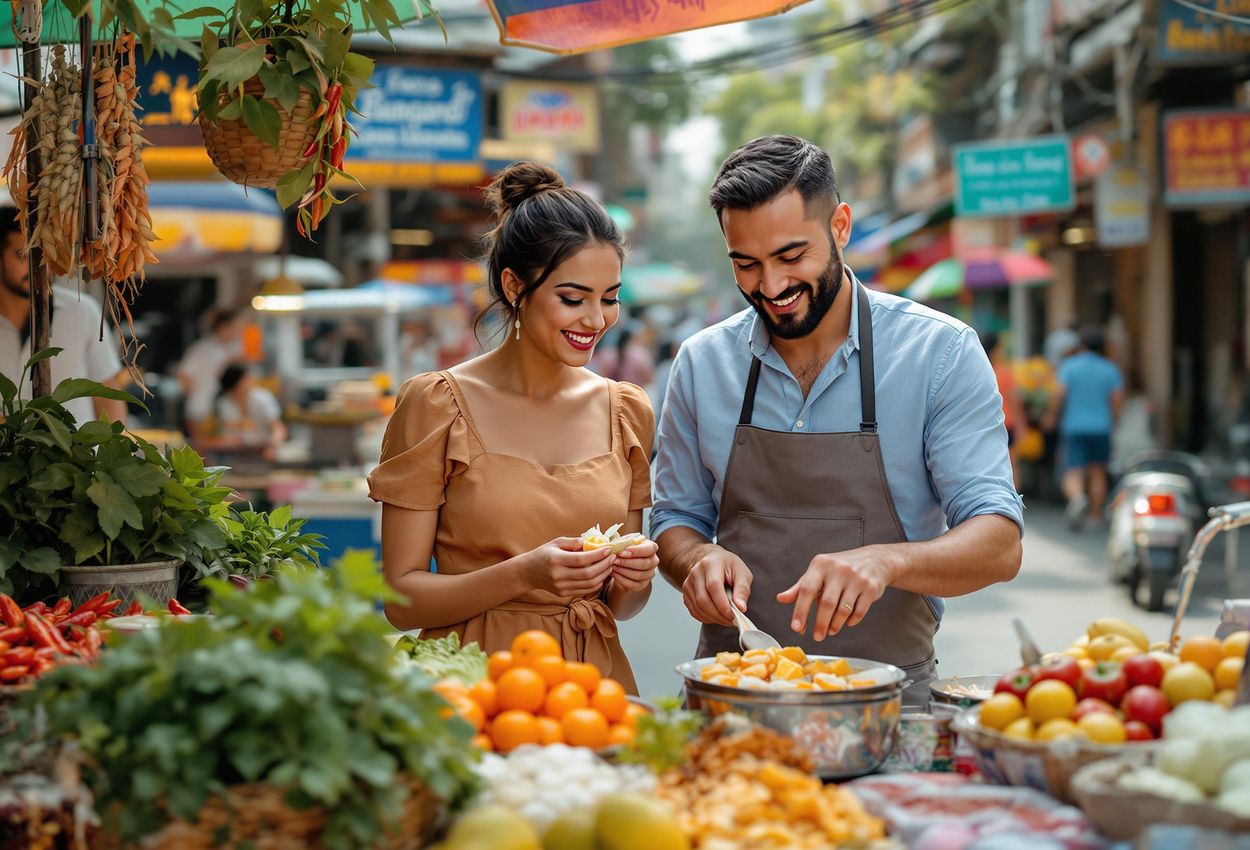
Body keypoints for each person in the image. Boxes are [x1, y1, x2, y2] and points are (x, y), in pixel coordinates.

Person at [651, 136, 1023, 704]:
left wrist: (888, 561)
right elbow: (675, 518)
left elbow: (998, 542)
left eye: (791, 256)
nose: (771, 287)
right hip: (730, 702)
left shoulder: (938, 353)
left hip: (890, 709)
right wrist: (697, 558)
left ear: (841, 227)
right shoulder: (702, 364)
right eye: (746, 265)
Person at [368, 162, 658, 693]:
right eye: (573, 299)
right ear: (514, 286)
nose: (596, 320)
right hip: (471, 687)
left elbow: (622, 605)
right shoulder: (436, 404)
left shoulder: (627, 411)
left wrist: (634, 581)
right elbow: (400, 602)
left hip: (593, 691)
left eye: (610, 298)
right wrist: (524, 574)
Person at [0, 208, 128, 423]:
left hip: (76, 455)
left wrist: (111, 453)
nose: (37, 266)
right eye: (22, 255)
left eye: (44, 254)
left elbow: (109, 399)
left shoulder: (82, 311)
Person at [1044, 325, 1124, 530]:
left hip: (1074, 427)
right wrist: (1113, 421)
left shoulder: (1070, 366)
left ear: (1082, 344)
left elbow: (1058, 394)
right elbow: (1116, 400)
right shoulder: (1110, 368)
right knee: (1098, 472)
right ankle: (1095, 517)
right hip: (1101, 427)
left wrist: (1052, 416)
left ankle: (1078, 498)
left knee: (1072, 471)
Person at [177, 307, 246, 434]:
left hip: (226, 410)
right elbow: (183, 376)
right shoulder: (202, 349)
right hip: (201, 408)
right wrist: (195, 395)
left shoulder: (237, 349)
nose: (241, 330)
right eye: (237, 326)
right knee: (201, 449)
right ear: (224, 326)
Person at [199, 363, 287, 461]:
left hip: (260, 452)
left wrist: (273, 447)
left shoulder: (262, 399)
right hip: (229, 455)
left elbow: (278, 428)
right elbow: (205, 437)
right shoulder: (221, 404)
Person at [980, 331, 1025, 488]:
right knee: (1012, 465)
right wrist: (1021, 426)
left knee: (986, 466)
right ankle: (1014, 501)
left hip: (984, 424)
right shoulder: (1004, 371)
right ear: (995, 348)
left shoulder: (979, 370)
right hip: (1007, 423)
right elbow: (1015, 401)